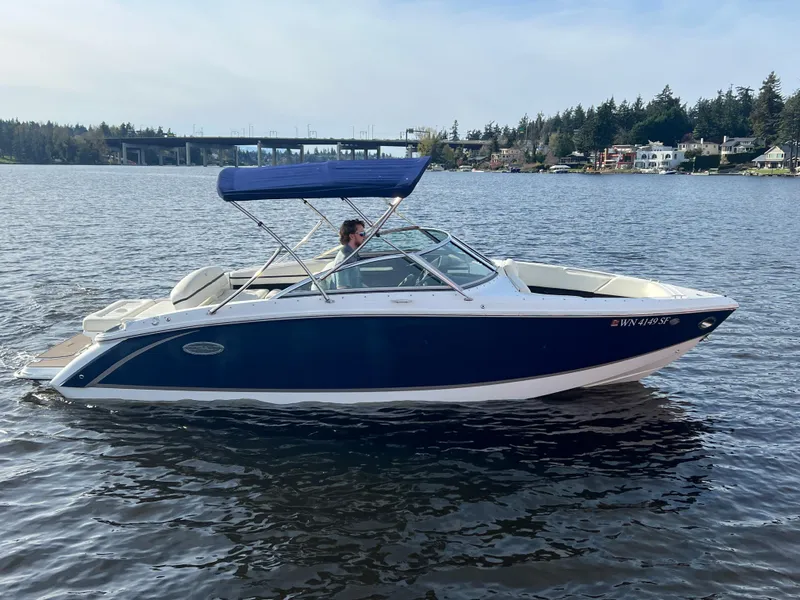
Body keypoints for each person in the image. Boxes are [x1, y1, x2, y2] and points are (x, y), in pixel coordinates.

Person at [332, 219, 365, 289]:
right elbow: (342, 289)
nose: (365, 237)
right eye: (362, 234)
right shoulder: (345, 259)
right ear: (352, 236)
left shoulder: (353, 254)